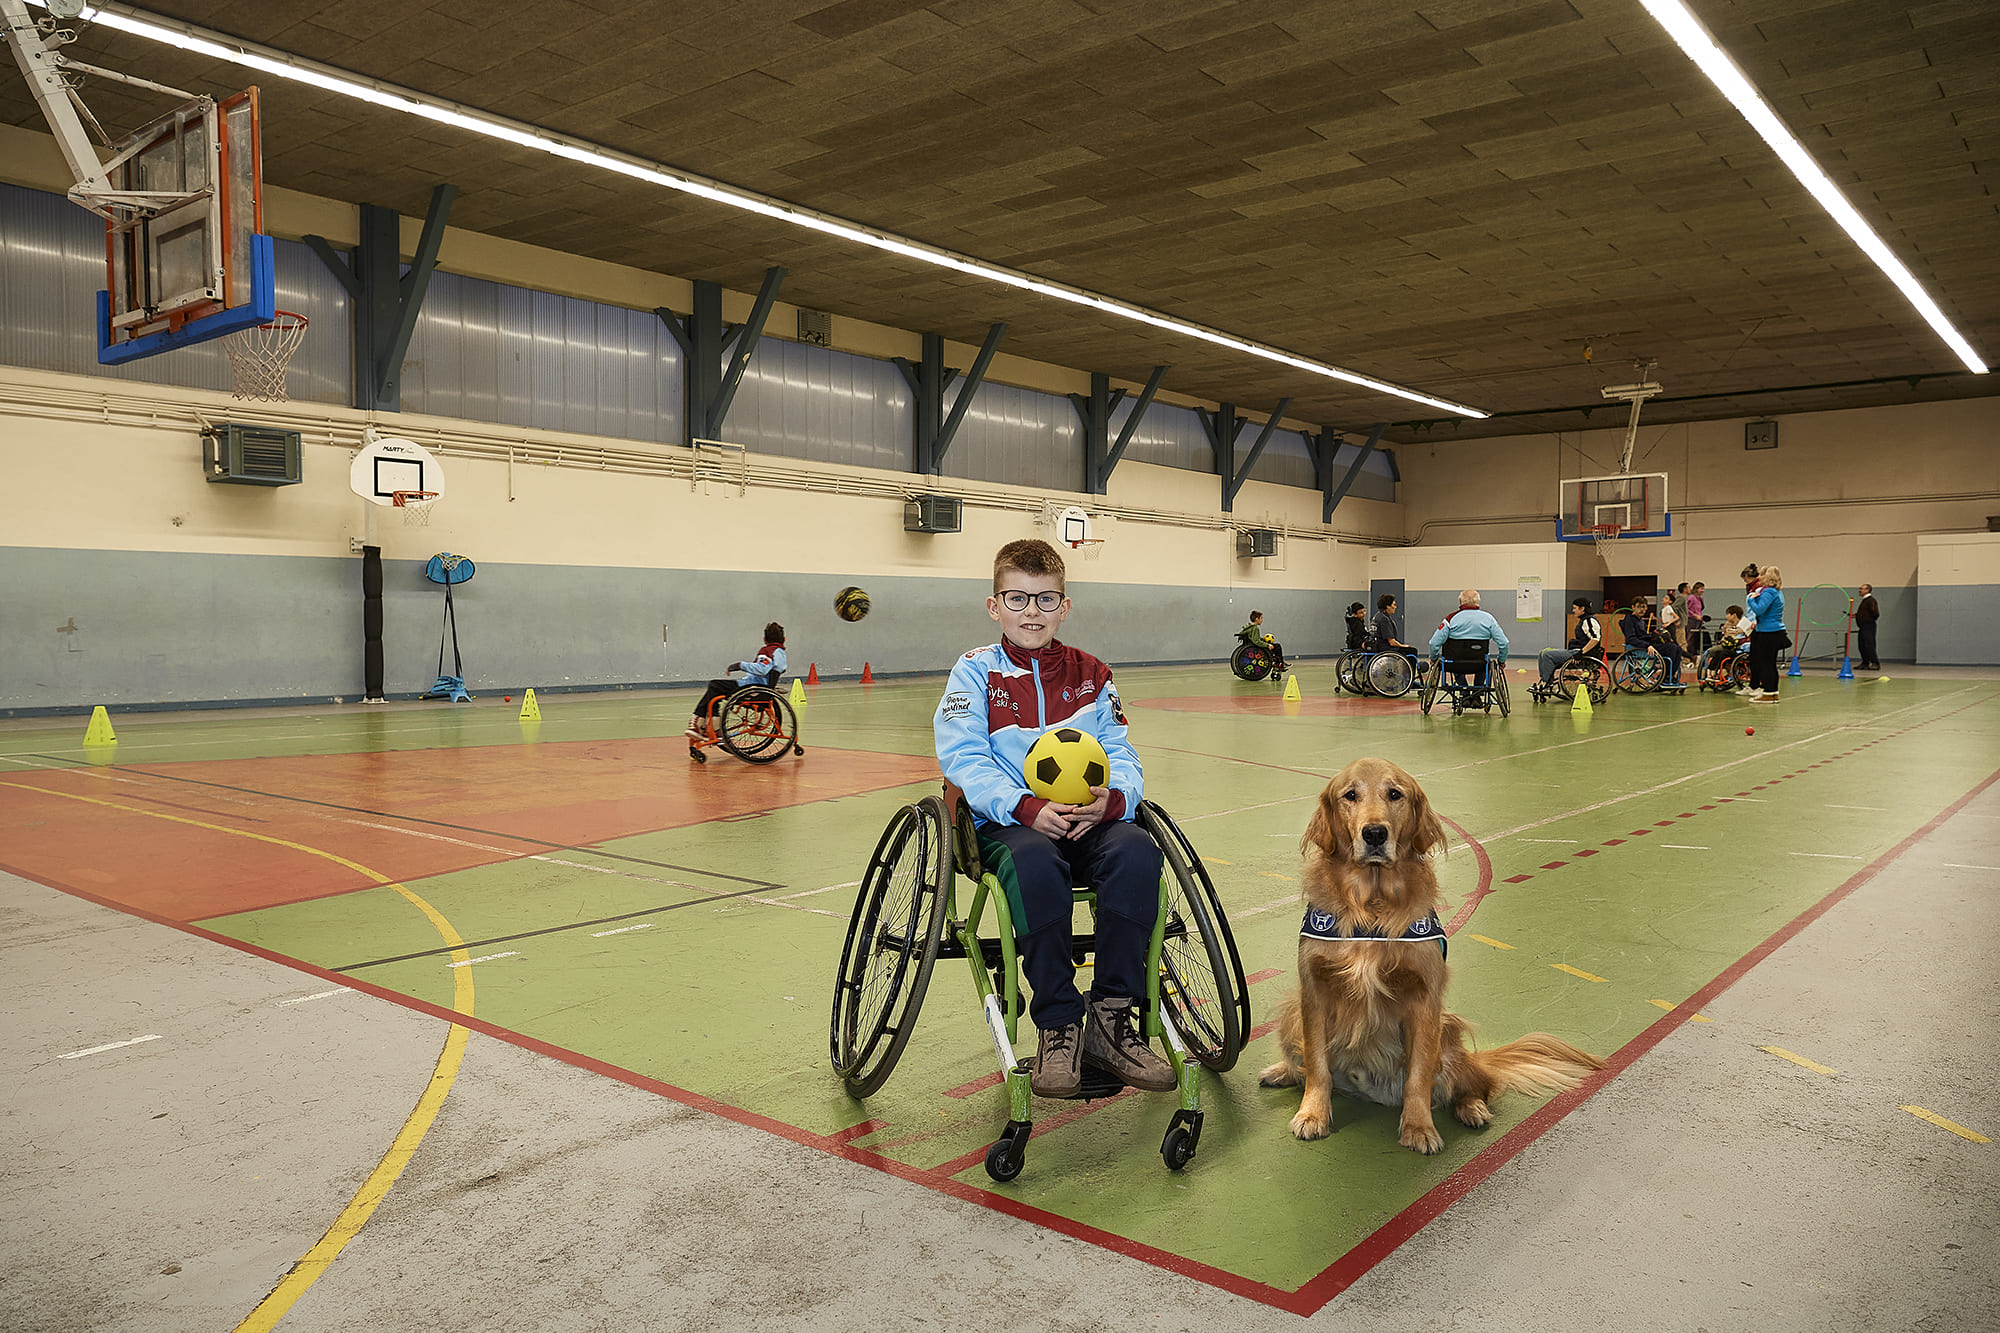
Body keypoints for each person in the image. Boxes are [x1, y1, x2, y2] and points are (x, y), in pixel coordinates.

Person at [934, 539, 1173, 1098]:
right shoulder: (974, 674)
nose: (1032, 612)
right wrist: (1024, 807)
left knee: (1138, 850)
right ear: (995, 606)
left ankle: (1113, 1019)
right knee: (1036, 862)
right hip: (1008, 824)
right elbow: (963, 759)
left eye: (1045, 600)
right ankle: (1059, 1023)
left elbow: (1120, 751)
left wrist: (1114, 801)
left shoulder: (1092, 674)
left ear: (1065, 606)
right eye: (1017, 599)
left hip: (1087, 817)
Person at [688, 622, 786, 736]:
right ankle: (712, 726)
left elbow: (762, 669)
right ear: (784, 639)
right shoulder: (781, 654)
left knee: (715, 685)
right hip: (759, 688)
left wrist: (740, 665)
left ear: (765, 639)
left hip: (753, 688)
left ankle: (699, 720)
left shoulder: (768, 651)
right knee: (715, 690)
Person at [1428, 588, 1509, 683]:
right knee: (1485, 661)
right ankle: (1478, 692)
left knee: (1454, 657)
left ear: (1460, 601)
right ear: (1478, 601)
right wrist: (1501, 660)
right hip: (1480, 664)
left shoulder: (1450, 619)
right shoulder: (1488, 619)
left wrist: (1434, 658)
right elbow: (1504, 643)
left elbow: (1433, 643)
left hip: (1454, 664)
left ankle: (1463, 689)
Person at [1620, 597, 1683, 690]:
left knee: (1678, 648)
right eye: (1639, 607)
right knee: (1671, 649)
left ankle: (1669, 676)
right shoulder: (1629, 620)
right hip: (1637, 647)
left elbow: (1645, 636)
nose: (1642, 609)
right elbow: (1631, 639)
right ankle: (1665, 677)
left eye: (1644, 607)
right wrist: (1647, 645)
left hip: (1646, 644)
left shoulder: (1641, 621)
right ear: (1633, 607)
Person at [1746, 566, 1786, 702]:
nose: (1759, 578)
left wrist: (1751, 599)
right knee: (1770, 664)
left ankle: (1768, 693)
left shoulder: (1768, 592)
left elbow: (1759, 609)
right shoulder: (1778, 592)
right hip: (1775, 631)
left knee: (1766, 664)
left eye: (1762, 576)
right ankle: (1772, 692)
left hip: (1768, 632)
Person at [1539, 596, 1601, 685]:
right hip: (1575, 650)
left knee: (1547, 655)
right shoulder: (1584, 620)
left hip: (1580, 653)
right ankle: (1544, 681)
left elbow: (1595, 639)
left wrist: (1581, 653)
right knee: (1542, 652)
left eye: (1575, 608)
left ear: (1582, 608)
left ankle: (1547, 683)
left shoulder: (1589, 620)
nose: (1573, 610)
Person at [1700, 605, 1753, 690]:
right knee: (1715, 651)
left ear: (1734, 615)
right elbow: (1726, 635)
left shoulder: (1746, 623)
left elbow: (1744, 635)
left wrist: (1732, 633)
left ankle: (1713, 672)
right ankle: (1711, 672)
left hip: (1740, 647)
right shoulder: (1728, 624)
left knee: (1717, 651)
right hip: (1729, 645)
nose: (1726, 617)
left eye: (1727, 614)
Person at [1856, 583, 1880, 671]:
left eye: (1861, 588)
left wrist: (1868, 620)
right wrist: (1857, 616)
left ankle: (1875, 663)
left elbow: (1875, 613)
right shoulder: (1864, 600)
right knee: (1862, 645)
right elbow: (1864, 613)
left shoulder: (1871, 600)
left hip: (1868, 626)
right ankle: (1865, 663)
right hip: (1862, 627)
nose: (1859, 590)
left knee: (1869, 645)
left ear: (1867, 590)